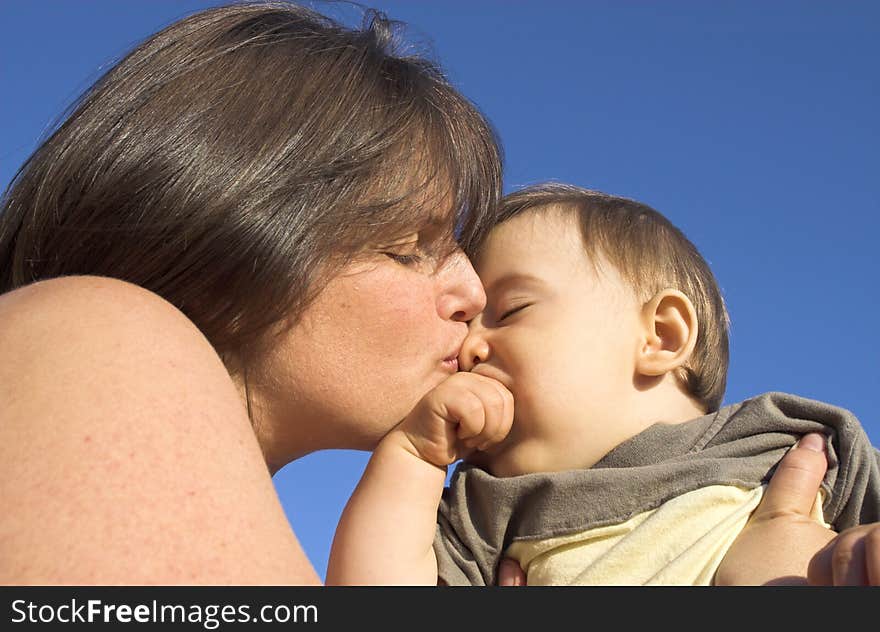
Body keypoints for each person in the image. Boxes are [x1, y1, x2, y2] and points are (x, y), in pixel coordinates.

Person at [0, 1, 870, 586]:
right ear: (235, 225)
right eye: (411, 247)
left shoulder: (783, 446)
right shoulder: (91, 330)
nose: (467, 299)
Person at [326, 183, 880, 586]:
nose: (469, 347)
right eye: (468, 326)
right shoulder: (484, 508)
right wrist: (415, 457)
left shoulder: (784, 443)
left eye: (511, 309)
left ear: (661, 336)